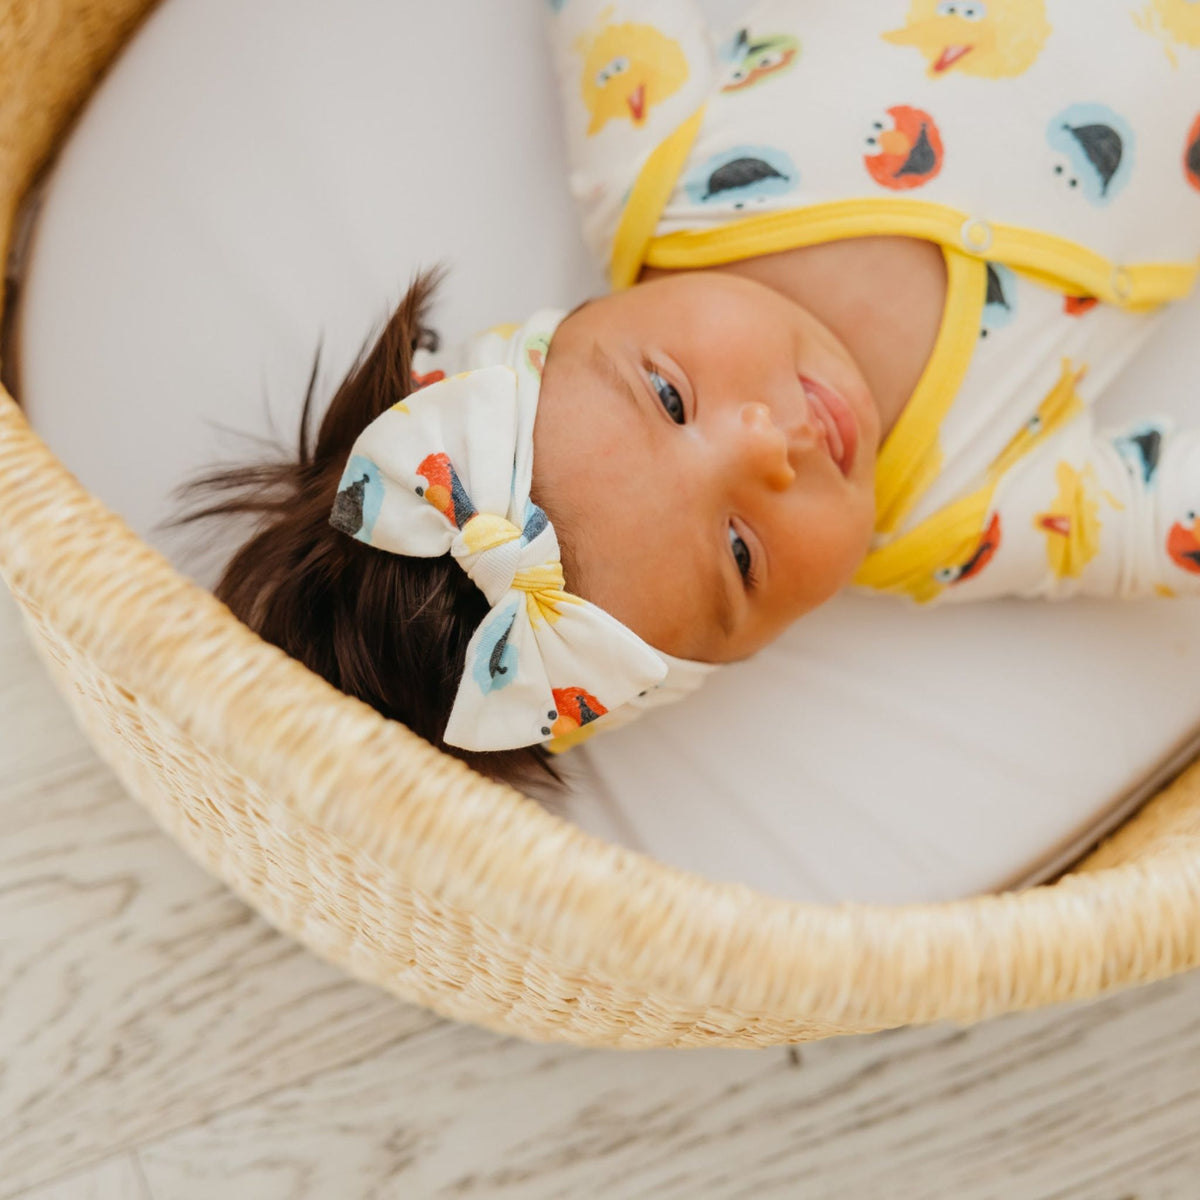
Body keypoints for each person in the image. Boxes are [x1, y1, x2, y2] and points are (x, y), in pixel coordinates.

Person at [168, 0, 1200, 788]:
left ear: (563, 328)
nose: (765, 445)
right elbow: (1158, 516)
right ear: (735, 655)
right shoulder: (951, 517)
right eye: (741, 553)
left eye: (668, 399)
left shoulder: (659, 170)